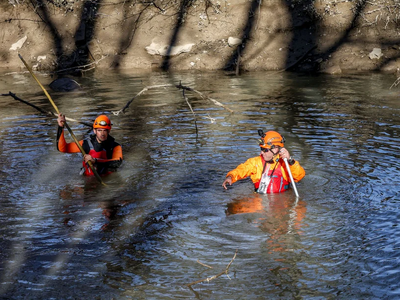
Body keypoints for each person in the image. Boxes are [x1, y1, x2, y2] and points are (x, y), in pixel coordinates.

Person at [222, 130, 305, 193]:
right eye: (261, 149)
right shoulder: (255, 162)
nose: (261, 152)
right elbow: (242, 169)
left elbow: (299, 176)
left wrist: (290, 160)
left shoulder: (285, 164)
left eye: (265, 150)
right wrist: (231, 177)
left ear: (276, 149)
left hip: (281, 203)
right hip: (259, 203)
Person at [57, 113, 123, 176]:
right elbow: (62, 148)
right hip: (88, 180)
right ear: (94, 130)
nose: (102, 134)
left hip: (107, 180)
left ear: (109, 131)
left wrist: (95, 161)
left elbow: (117, 162)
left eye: (105, 130)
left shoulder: (115, 146)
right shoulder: (85, 143)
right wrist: (60, 127)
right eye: (99, 130)